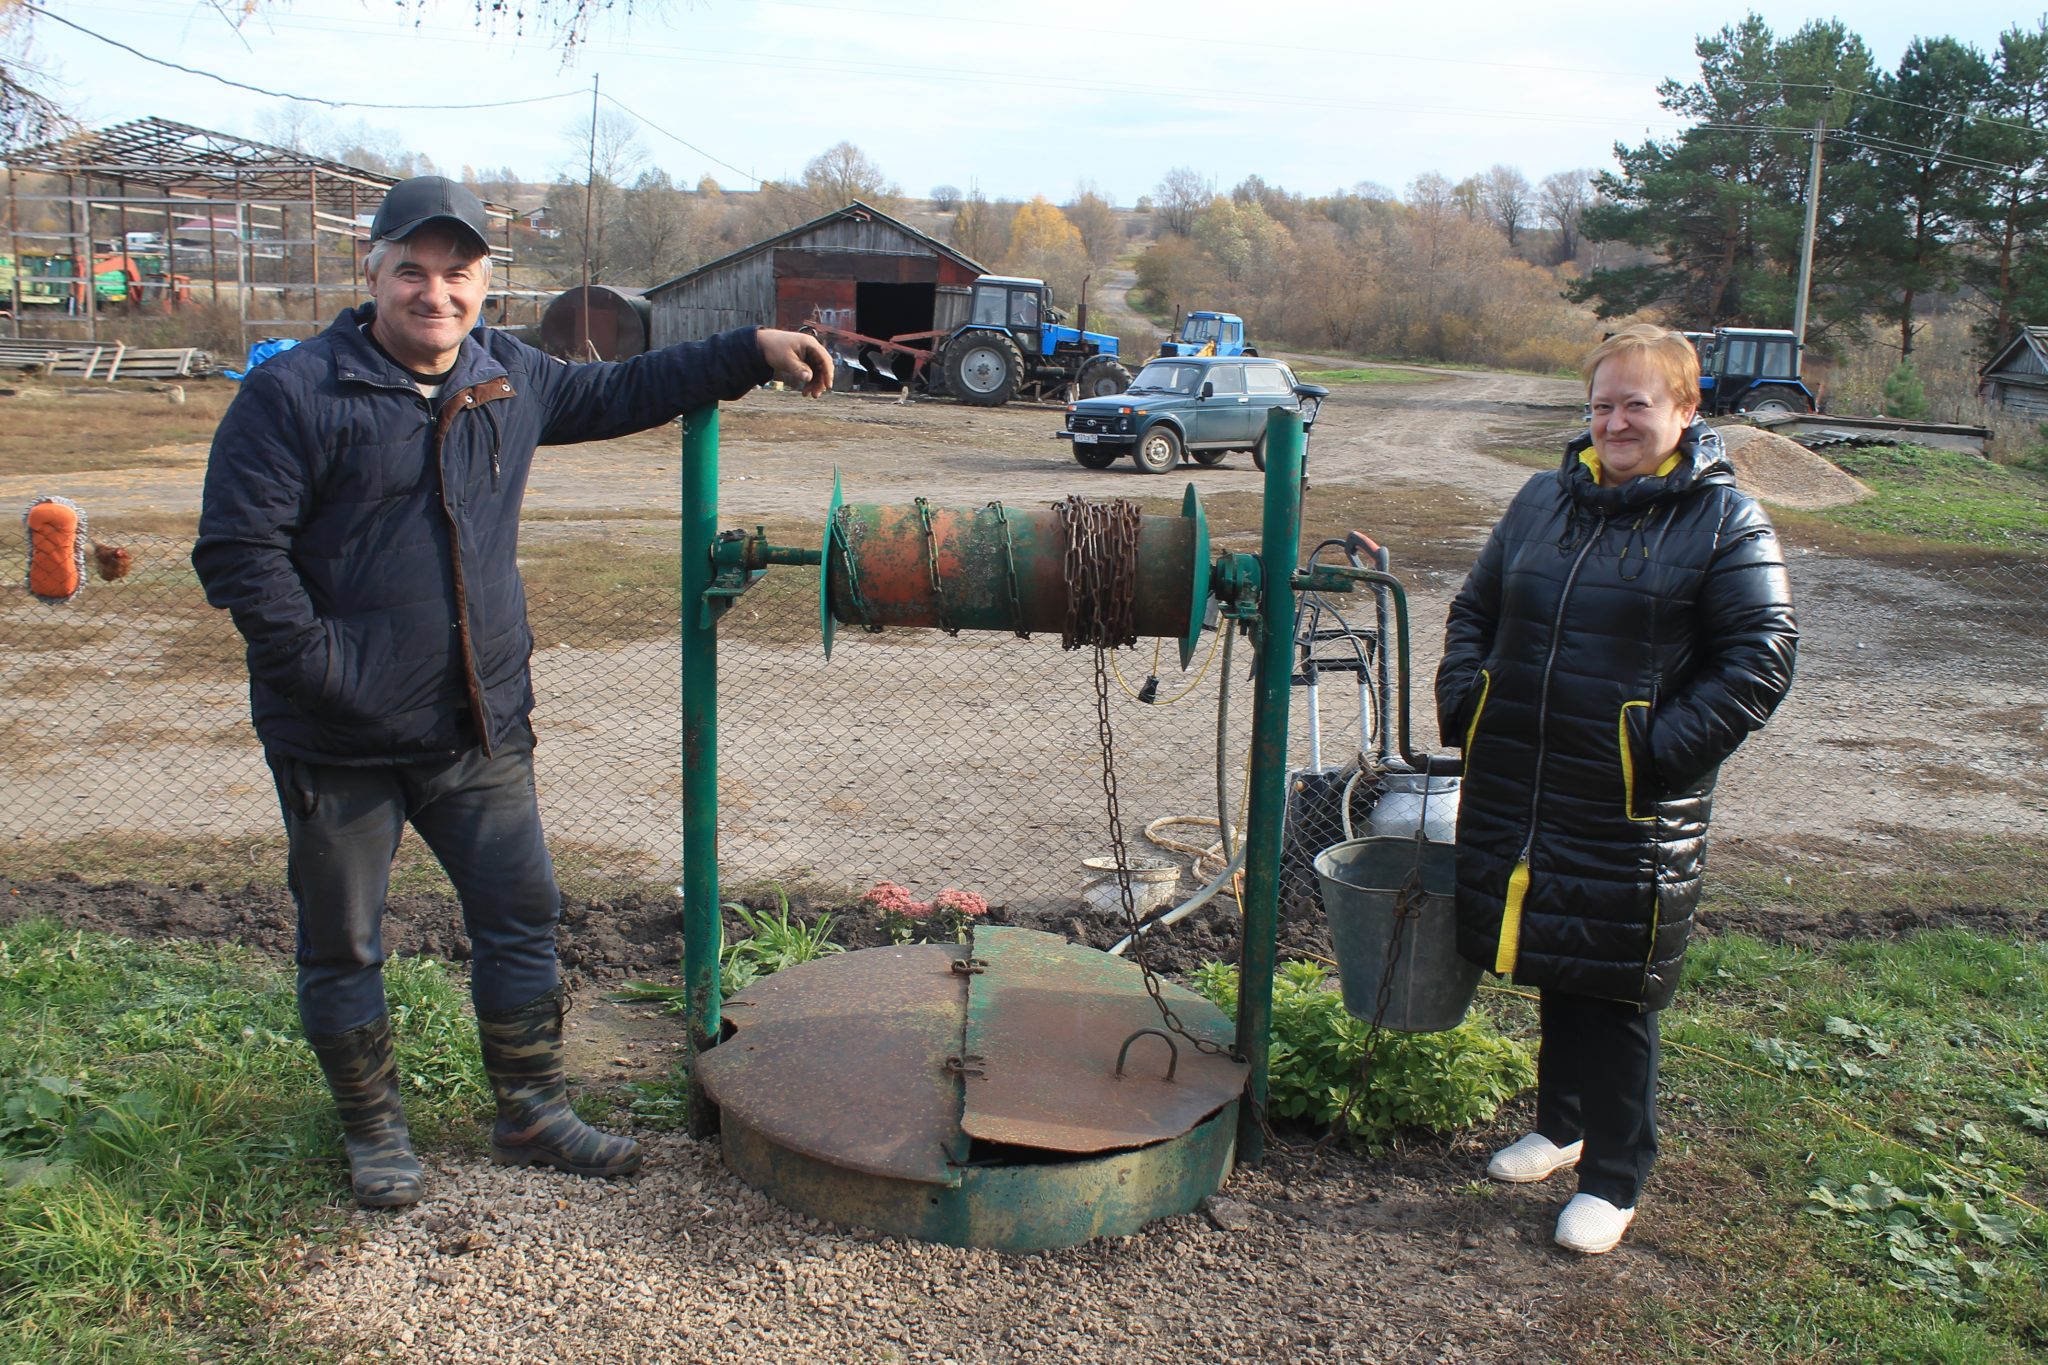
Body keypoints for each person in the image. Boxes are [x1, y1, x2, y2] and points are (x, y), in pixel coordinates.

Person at [193, 176, 832, 1208]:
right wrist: (330, 673)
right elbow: (237, 555)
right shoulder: (294, 394)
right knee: (345, 939)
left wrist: (746, 349)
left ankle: (530, 1109)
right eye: (412, 270)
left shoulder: (506, 377)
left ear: (484, 286)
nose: (433, 293)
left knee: (522, 916)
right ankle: (373, 1134)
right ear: (373, 273)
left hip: (477, 728)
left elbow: (625, 389)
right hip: (337, 738)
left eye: (456, 274)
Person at [1435, 323, 1797, 1254]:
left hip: (1632, 799)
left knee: (1620, 982)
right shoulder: (1540, 501)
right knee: (1558, 953)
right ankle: (1561, 1126)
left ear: (1685, 409)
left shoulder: (1724, 521)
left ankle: (1617, 1171)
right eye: (1602, 403)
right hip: (1525, 777)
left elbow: (1761, 660)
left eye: (1638, 403)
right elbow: (1475, 609)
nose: (1616, 420)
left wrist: (1651, 754)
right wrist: (1469, 700)